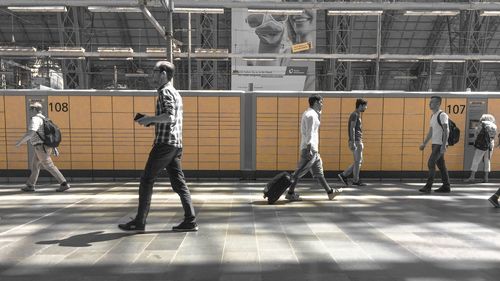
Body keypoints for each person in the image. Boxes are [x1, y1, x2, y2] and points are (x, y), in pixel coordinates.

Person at [118, 61, 197, 232]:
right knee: (179, 183)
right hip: (175, 144)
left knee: (146, 180)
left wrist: (149, 119)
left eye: (154, 71)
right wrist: (151, 120)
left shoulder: (165, 92)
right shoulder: (175, 92)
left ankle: (140, 221)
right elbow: (171, 119)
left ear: (163, 74)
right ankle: (190, 220)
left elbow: (169, 117)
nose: (152, 75)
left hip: (164, 144)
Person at [285, 94, 342, 201]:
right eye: (321, 102)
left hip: (313, 149)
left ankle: (330, 192)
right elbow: (310, 133)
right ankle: (290, 193)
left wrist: (319, 113)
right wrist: (309, 148)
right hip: (310, 149)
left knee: (318, 172)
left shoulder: (308, 113)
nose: (322, 105)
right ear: (316, 103)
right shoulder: (311, 115)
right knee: (298, 173)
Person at [15, 102, 70, 192]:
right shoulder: (45, 119)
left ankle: (64, 183)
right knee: (35, 166)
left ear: (33, 110)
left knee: (49, 165)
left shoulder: (35, 119)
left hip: (41, 148)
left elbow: (31, 133)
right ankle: (30, 185)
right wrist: (54, 147)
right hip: (43, 147)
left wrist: (20, 142)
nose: (29, 112)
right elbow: (48, 134)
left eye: (30, 110)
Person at [419, 96, 451, 193]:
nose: (430, 104)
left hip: (440, 144)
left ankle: (428, 186)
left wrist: (444, 145)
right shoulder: (433, 116)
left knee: (431, 163)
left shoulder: (442, 115)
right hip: (435, 144)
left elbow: (447, 130)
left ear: (438, 104)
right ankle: (446, 186)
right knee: (441, 166)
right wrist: (424, 143)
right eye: (430, 102)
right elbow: (431, 132)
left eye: (432, 102)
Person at [338, 99, 368, 187]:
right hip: (356, 140)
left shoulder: (356, 114)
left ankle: (344, 175)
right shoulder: (355, 115)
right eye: (365, 105)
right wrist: (353, 141)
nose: (366, 107)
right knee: (358, 161)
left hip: (357, 140)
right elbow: (352, 128)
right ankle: (354, 179)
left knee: (358, 161)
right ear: (360, 105)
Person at [465, 114, 497, 183]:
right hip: (490, 144)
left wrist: (475, 143)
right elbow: (494, 136)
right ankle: (486, 178)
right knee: (487, 161)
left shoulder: (482, 124)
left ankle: (472, 177)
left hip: (481, 144)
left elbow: (477, 134)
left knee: (476, 160)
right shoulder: (494, 126)